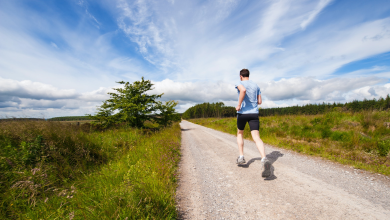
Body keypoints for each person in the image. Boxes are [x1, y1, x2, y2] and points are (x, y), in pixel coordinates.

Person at [235, 68, 271, 177]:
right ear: (248, 75)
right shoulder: (256, 86)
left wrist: (239, 105)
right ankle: (264, 159)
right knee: (256, 137)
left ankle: (241, 157)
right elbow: (259, 101)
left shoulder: (239, 83)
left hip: (242, 113)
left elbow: (243, 90)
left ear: (241, 76)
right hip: (254, 113)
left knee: (240, 133)